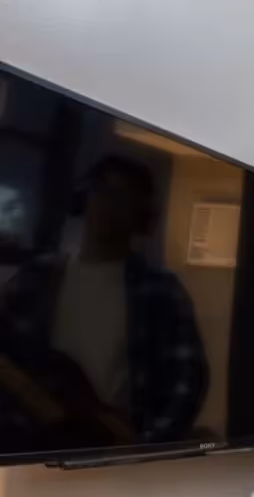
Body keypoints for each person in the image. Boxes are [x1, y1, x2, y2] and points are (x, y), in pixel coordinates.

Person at [0, 154, 207, 449]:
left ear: (141, 214)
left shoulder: (161, 289)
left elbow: (189, 379)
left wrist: (149, 446)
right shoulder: (36, 276)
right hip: (28, 449)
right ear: (85, 198)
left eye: (125, 197)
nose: (110, 205)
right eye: (103, 191)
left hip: (115, 452)